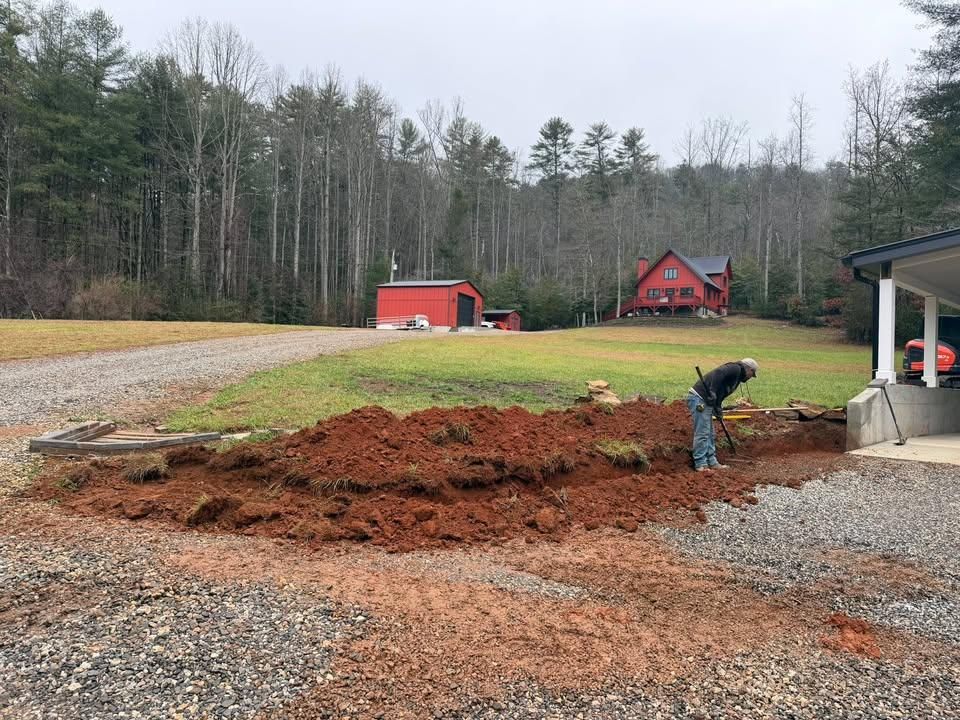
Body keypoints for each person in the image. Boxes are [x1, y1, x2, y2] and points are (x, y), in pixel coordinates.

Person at [686, 358, 759, 472]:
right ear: (749, 369)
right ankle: (700, 464)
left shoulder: (736, 378)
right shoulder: (736, 368)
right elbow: (718, 373)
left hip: (707, 400)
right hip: (699, 398)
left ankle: (712, 461)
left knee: (710, 433)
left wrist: (718, 407)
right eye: (752, 374)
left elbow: (721, 391)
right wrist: (712, 391)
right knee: (703, 432)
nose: (750, 377)